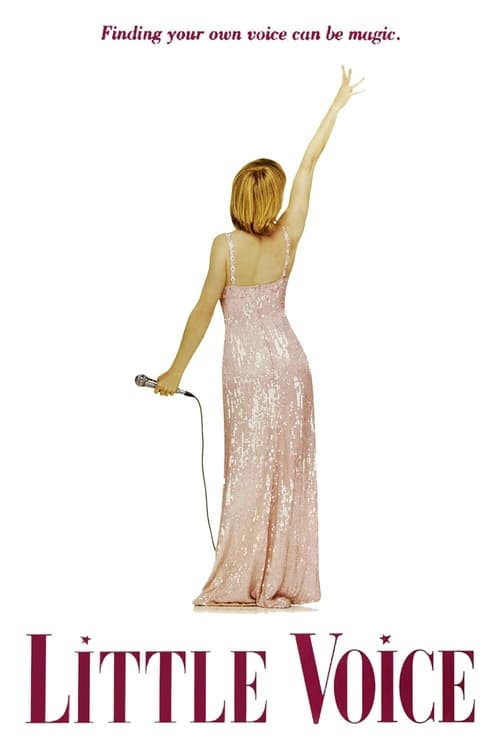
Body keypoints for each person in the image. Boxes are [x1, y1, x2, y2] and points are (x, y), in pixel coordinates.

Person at [155, 65, 364, 607]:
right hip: (292, 366)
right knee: (286, 474)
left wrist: (174, 371)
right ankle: (279, 579)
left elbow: (202, 312)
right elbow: (310, 163)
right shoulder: (289, 237)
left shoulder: (224, 248)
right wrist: (336, 106)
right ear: (271, 201)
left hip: (247, 371)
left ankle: (241, 577)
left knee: (248, 469)